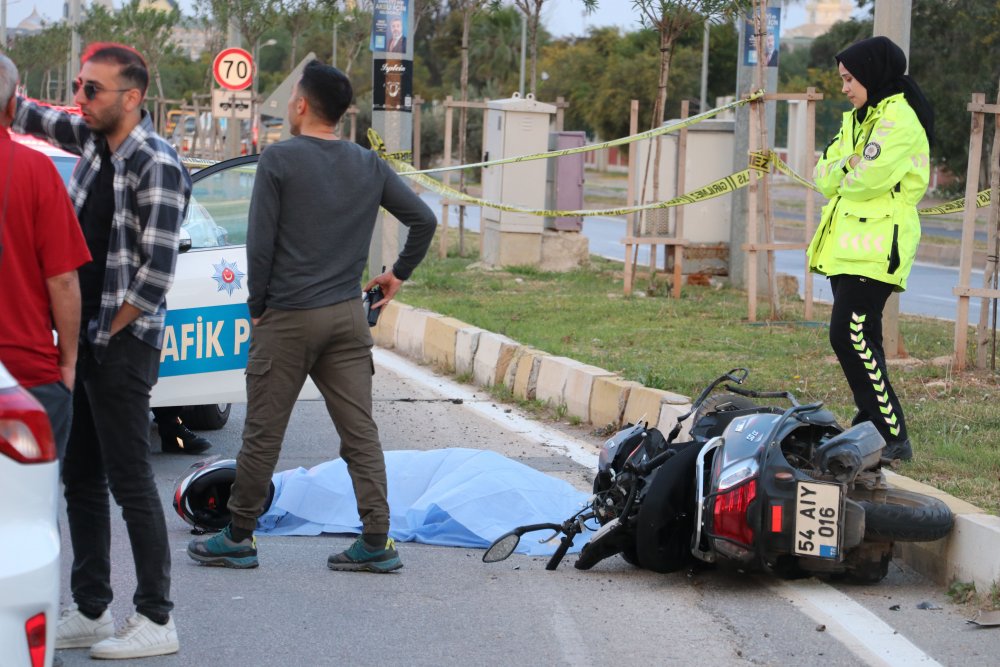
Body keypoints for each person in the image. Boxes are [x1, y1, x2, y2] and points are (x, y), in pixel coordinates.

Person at [187, 60, 436, 571]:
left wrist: (258, 309)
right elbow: (423, 219)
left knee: (263, 433)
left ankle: (238, 536)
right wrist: (398, 274)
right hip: (347, 317)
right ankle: (377, 541)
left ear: (301, 105)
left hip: (289, 317)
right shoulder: (368, 164)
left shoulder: (279, 160)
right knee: (360, 434)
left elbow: (260, 244)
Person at [12, 43, 191, 658]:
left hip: (122, 344)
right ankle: (92, 607)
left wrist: (109, 334)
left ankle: (156, 617)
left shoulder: (156, 161)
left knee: (130, 480)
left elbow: (156, 274)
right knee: (80, 478)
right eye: (79, 86)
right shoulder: (93, 141)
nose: (80, 99)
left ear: (132, 97)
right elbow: (30, 114)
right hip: (83, 340)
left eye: (92, 90)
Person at [807, 36, 934, 462]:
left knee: (849, 334)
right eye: (841, 79)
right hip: (846, 244)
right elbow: (823, 176)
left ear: (872, 74)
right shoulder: (858, 120)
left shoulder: (899, 119)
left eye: (849, 78)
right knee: (863, 338)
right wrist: (850, 162)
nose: (844, 87)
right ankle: (871, 424)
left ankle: (890, 432)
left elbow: (869, 181)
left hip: (879, 244)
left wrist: (850, 167)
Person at [0, 55, 91, 461]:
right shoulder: (35, 171)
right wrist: (68, 361)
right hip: (24, 372)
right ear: (11, 106)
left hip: (24, 372)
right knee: (26, 511)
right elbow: (63, 280)